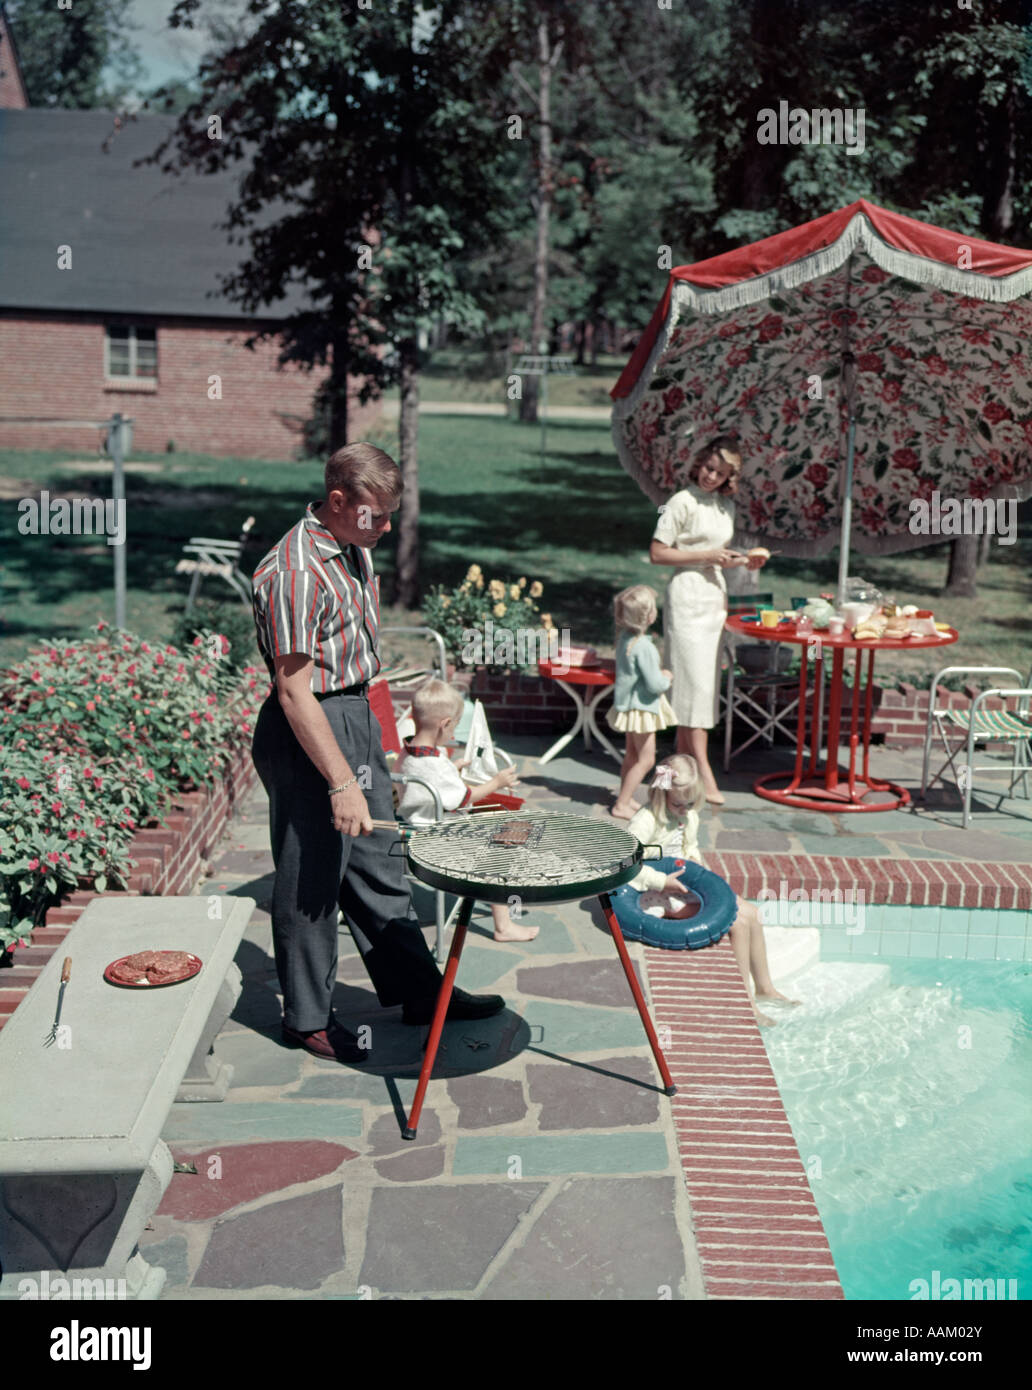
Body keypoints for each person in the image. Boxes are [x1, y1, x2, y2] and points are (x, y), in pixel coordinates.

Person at [250, 442, 505, 1064]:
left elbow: (353, 655)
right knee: (313, 875)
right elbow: (293, 689)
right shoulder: (294, 571)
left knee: (377, 861)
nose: (388, 528)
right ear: (338, 501)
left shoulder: (353, 546)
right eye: (378, 515)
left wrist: (376, 735)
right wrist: (339, 780)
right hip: (310, 723)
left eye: (392, 514)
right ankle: (306, 1018)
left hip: (355, 713)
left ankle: (421, 993)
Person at [625, 754, 796, 1026]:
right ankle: (746, 1005)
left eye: (691, 803)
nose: (685, 809)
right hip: (653, 891)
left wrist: (697, 865)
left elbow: (690, 849)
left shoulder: (689, 816)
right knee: (736, 922)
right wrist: (661, 882)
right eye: (678, 804)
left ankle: (765, 988)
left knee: (752, 913)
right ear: (661, 795)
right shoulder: (646, 820)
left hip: (682, 885)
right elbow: (627, 863)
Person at [649, 436, 769, 805]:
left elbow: (717, 555)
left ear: (730, 477)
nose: (710, 476)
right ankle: (701, 766)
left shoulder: (724, 508)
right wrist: (705, 555)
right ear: (698, 462)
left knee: (702, 685)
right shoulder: (678, 502)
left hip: (713, 597)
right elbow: (657, 553)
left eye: (720, 473)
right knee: (692, 686)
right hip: (685, 597)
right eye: (707, 467)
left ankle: (683, 767)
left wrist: (741, 561)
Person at [397, 680, 539, 943]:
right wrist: (497, 782)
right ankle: (503, 925)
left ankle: (507, 893)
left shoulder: (407, 753)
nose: (454, 734)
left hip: (419, 828)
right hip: (439, 839)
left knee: (505, 829)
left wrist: (453, 768)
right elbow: (465, 798)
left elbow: (431, 780)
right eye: (455, 726)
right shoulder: (434, 765)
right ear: (445, 723)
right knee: (500, 850)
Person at [606, 584, 676, 820]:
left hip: (629, 706)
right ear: (648, 616)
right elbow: (654, 684)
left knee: (632, 756)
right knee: (647, 760)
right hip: (643, 709)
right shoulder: (644, 647)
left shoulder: (625, 639)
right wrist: (666, 678)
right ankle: (622, 804)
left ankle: (624, 798)